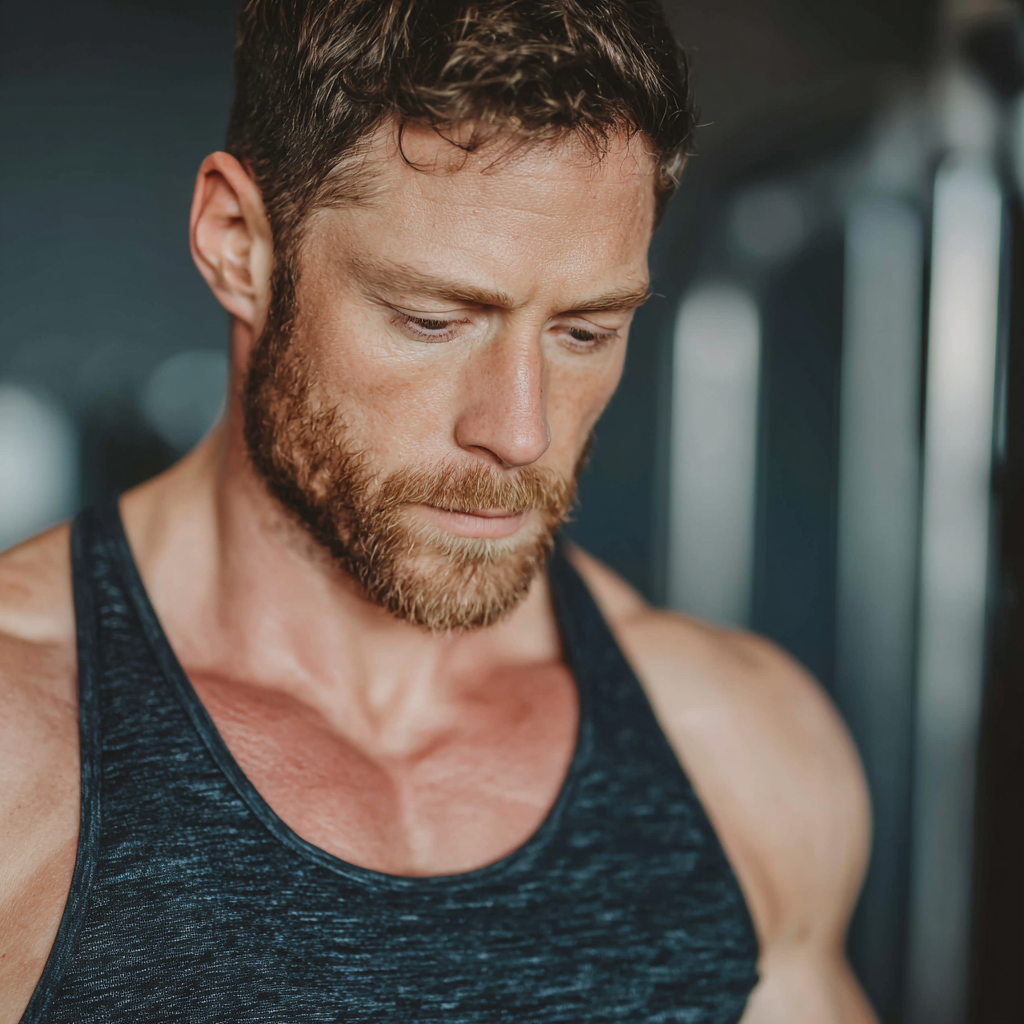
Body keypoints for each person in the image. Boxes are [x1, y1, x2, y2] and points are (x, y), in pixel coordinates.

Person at [0, 1, 875, 1021]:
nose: (519, 431)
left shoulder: (736, 746)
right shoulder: (25, 743)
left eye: (585, 332)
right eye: (433, 320)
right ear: (239, 244)